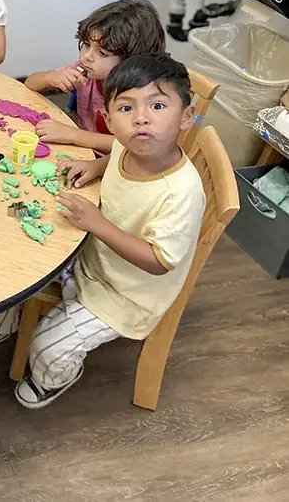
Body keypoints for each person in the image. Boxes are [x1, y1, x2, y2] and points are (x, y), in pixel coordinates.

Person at [15, 54, 205, 408]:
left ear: (186, 117)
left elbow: (159, 261)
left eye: (158, 105)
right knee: (13, 270)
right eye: (126, 109)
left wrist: (97, 224)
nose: (141, 118)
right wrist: (95, 165)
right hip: (90, 257)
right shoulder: (128, 145)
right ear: (108, 119)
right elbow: (114, 154)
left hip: (129, 296)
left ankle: (52, 380)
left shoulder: (182, 192)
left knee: (47, 346)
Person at [25, 0, 166, 154]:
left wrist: (73, 135)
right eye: (86, 44)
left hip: (118, 166)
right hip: (83, 151)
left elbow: (129, 145)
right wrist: (52, 77)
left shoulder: (139, 96)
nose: (87, 56)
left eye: (102, 53)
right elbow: (30, 83)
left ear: (130, 62)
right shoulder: (86, 70)